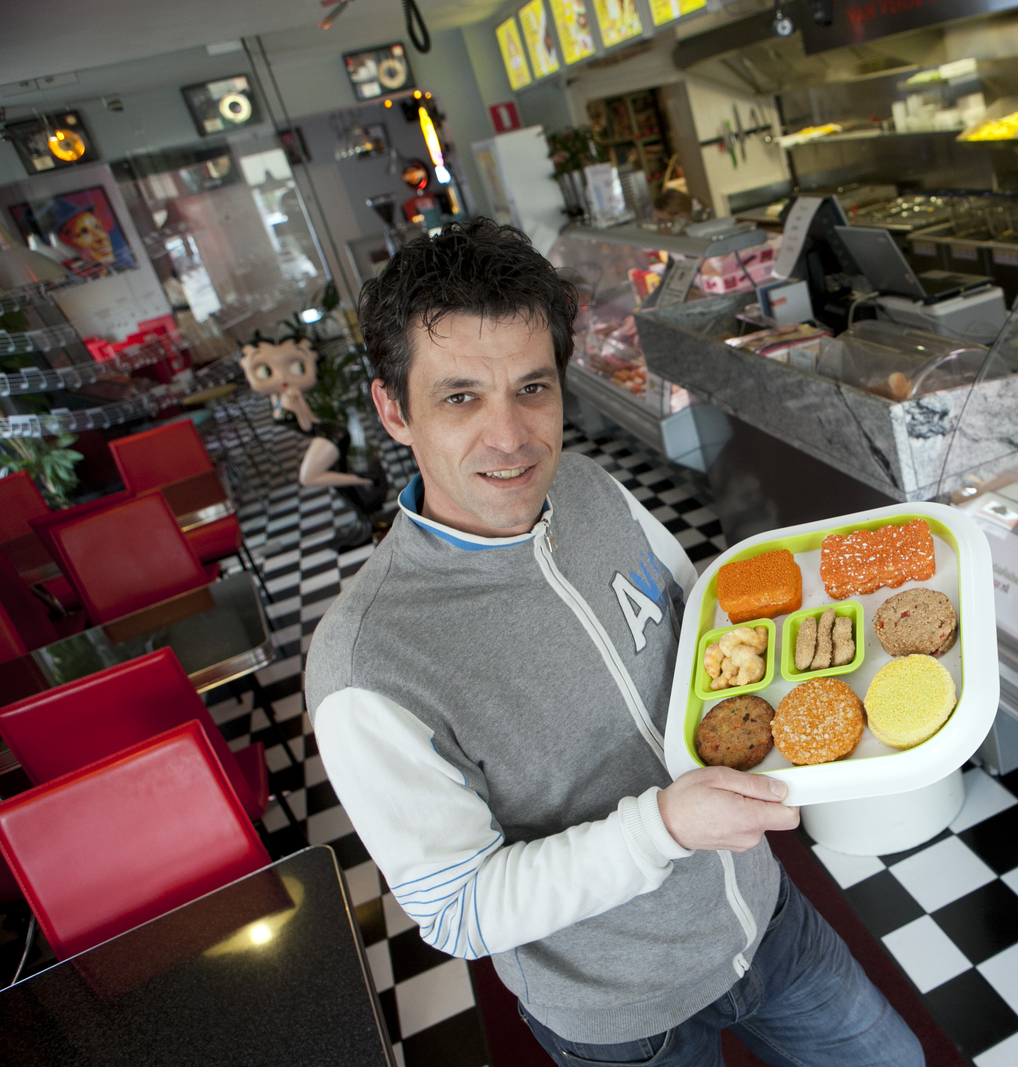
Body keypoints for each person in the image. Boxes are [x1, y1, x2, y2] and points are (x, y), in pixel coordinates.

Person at [305, 218, 923, 1067]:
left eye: (532, 387)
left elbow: (703, 629)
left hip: (763, 914)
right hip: (624, 1017)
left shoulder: (590, 487)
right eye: (460, 397)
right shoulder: (365, 663)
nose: (510, 437)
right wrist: (664, 827)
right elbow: (457, 908)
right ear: (392, 409)